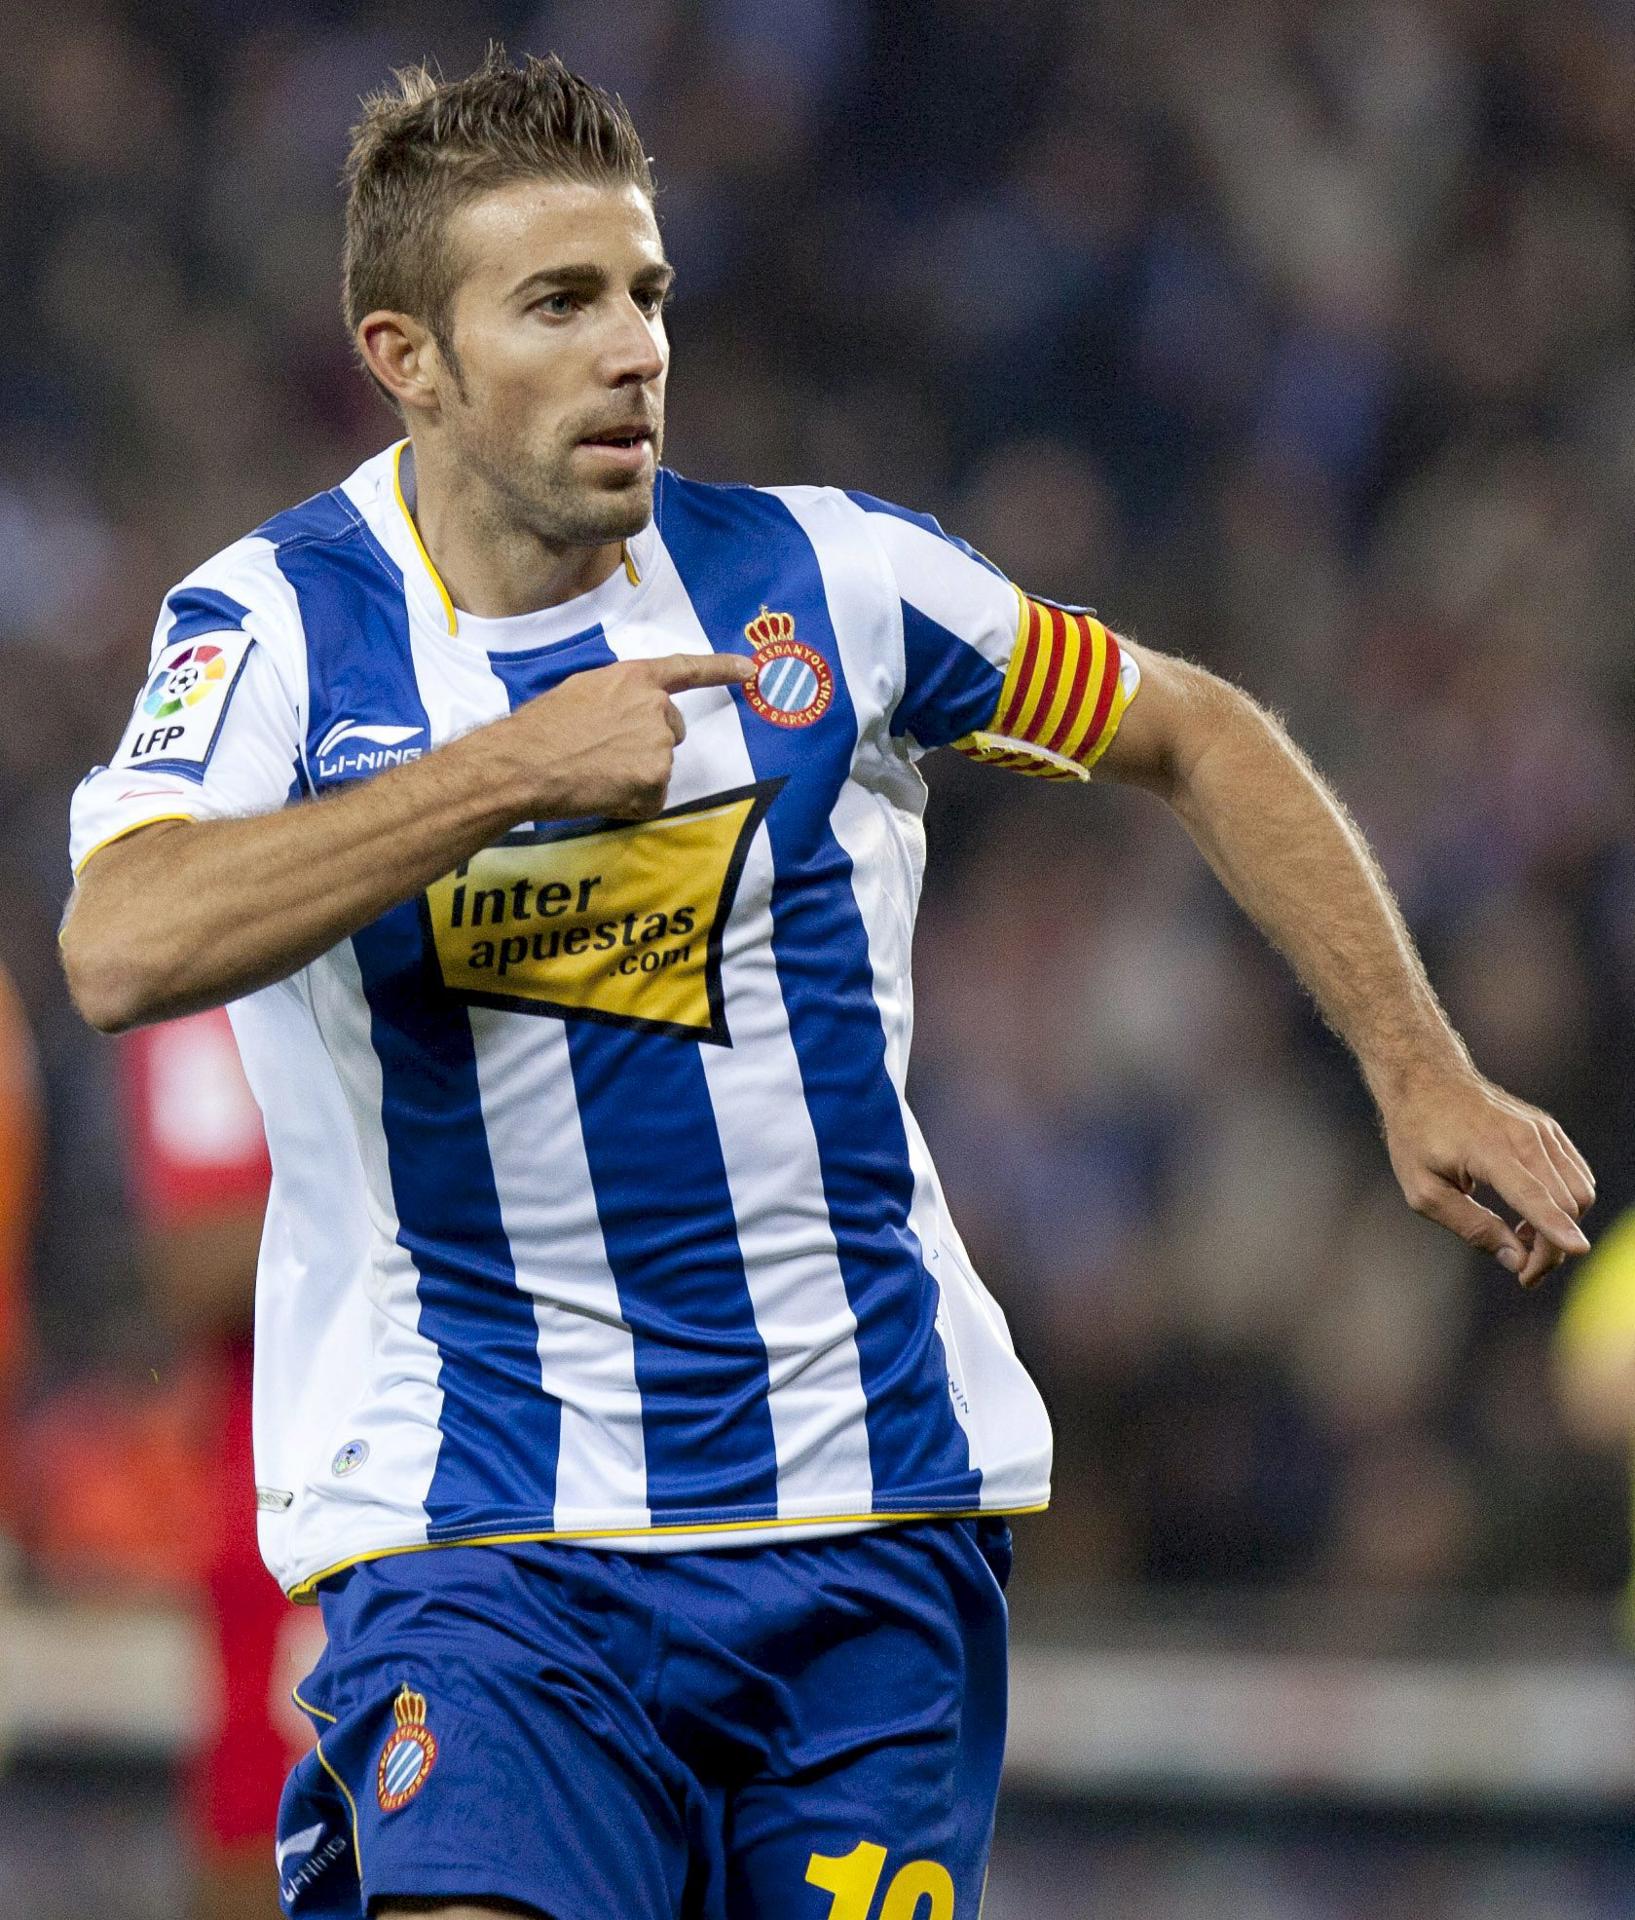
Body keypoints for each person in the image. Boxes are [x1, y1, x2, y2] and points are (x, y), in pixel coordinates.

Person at [58, 48, 1594, 1920]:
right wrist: (509, 775)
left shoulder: (834, 581)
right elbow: (123, 941)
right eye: (557, 303)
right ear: (408, 356)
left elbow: (1190, 728)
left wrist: (1417, 1066)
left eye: (645, 293)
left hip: (864, 1536)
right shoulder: (275, 625)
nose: (632, 348)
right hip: (488, 1538)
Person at [120, 1008, 320, 1920]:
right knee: (277, 1843)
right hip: (292, 1516)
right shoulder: (224, 984)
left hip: (511, 1469)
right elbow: (192, 1258)